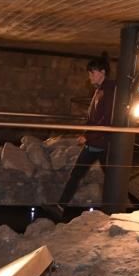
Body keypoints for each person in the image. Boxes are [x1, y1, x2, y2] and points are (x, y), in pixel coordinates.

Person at [56, 53, 116, 210]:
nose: (90, 75)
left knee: (108, 177)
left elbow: (107, 120)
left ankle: (113, 208)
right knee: (80, 173)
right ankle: (60, 205)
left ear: (102, 72)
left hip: (100, 142)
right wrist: (86, 134)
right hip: (95, 141)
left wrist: (88, 135)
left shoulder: (109, 90)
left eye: (92, 72)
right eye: (90, 72)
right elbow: (94, 117)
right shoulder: (99, 90)